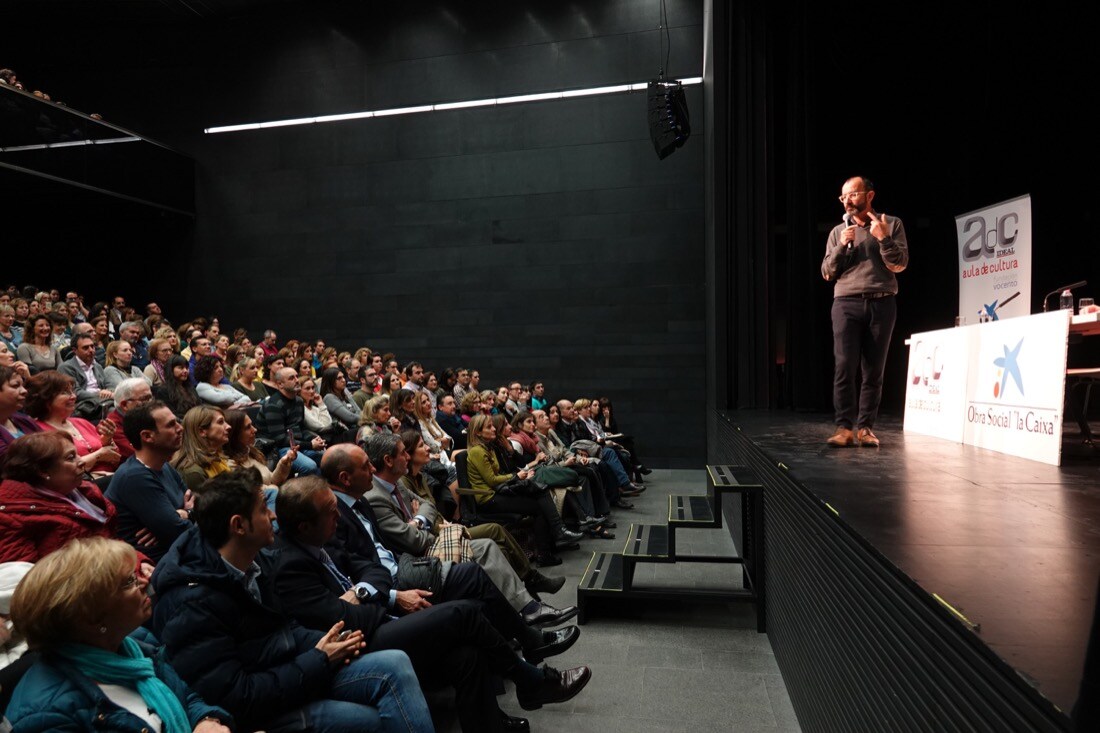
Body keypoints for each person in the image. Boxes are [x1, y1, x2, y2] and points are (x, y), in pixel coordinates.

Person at [272, 477, 588, 732]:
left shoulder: (322, 540)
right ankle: (531, 679)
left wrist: (365, 592)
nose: (338, 516)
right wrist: (373, 599)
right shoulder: (290, 568)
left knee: (467, 654)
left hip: (380, 618)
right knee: (464, 611)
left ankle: (492, 723)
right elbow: (344, 620)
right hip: (358, 648)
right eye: (330, 511)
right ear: (303, 526)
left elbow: (375, 571)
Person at [150, 470, 433, 733]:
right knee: (372, 721)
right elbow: (238, 696)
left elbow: (283, 630)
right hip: (259, 710)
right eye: (262, 509)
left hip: (292, 672)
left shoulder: (256, 558)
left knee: (395, 663)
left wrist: (328, 642)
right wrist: (319, 658)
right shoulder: (191, 602)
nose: (272, 515)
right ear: (238, 526)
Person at [5, 537, 233, 733]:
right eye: (129, 582)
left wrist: (205, 720)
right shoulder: (48, 716)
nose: (145, 582)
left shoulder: (135, 645)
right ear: (91, 617)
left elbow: (186, 696)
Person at [364, 433, 574, 623]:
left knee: (492, 545)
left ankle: (528, 607)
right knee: (492, 539)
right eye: (404, 453)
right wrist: (425, 523)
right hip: (423, 556)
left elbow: (428, 506)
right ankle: (527, 605)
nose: (408, 457)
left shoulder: (397, 484)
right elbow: (414, 540)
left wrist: (418, 520)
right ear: (388, 460)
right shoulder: (377, 496)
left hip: (439, 534)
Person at [821, 175, 909, 447]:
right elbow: (827, 273)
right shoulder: (838, 231)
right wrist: (840, 246)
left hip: (882, 302)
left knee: (873, 370)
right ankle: (844, 428)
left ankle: (866, 428)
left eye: (853, 194)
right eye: (843, 196)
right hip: (846, 303)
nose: (847, 200)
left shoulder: (891, 224)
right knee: (844, 366)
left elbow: (900, 265)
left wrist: (883, 239)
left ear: (870, 196)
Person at [0, 432, 142, 566]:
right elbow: (26, 583)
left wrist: (140, 563)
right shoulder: (9, 518)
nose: (81, 462)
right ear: (43, 471)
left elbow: (112, 541)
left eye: (77, 455)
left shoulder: (86, 490)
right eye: (71, 458)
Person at [465, 414, 582, 566]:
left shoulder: (489, 447)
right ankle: (549, 547)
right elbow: (492, 480)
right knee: (538, 506)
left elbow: (501, 474)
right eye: (489, 427)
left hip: (499, 490)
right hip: (489, 498)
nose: (494, 428)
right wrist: (517, 476)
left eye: (493, 425)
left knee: (539, 494)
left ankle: (554, 541)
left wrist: (512, 463)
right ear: (478, 433)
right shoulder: (477, 451)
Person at [105, 401, 191, 563]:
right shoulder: (134, 477)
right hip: (160, 564)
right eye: (171, 425)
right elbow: (178, 532)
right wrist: (179, 516)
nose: (180, 428)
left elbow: (195, 502)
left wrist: (184, 515)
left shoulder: (163, 465)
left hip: (179, 552)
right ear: (147, 436)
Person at [26, 371, 121, 476]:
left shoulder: (82, 422)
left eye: (72, 391)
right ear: (46, 399)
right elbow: (58, 470)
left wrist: (106, 439)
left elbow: (116, 458)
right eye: (65, 392)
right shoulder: (38, 431)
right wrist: (98, 455)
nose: (73, 396)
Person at [254, 367, 326, 476]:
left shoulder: (299, 401)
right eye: (291, 378)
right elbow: (280, 440)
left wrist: (314, 439)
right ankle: (298, 491)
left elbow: (301, 428)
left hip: (296, 443)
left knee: (326, 458)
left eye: (297, 376)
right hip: (277, 448)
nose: (297, 380)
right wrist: (310, 445)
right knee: (309, 466)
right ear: (280, 384)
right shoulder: (273, 405)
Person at [224, 409, 296, 489]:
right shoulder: (230, 465)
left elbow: (271, 481)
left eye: (252, 425)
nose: (255, 430)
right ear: (234, 434)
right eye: (248, 427)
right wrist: (273, 489)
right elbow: (258, 493)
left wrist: (283, 463)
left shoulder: (251, 452)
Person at [171, 406, 233, 493]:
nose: (228, 426)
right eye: (220, 422)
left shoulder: (216, 458)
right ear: (202, 431)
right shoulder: (193, 473)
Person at [102, 378, 154, 460]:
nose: (150, 403)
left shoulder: (148, 417)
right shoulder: (112, 426)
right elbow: (140, 456)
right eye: (145, 399)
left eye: (150, 398)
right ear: (125, 405)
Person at [0, 364, 41, 455]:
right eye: (15, 386)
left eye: (22, 385)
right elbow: (9, 461)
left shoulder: (24, 420)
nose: (24, 391)